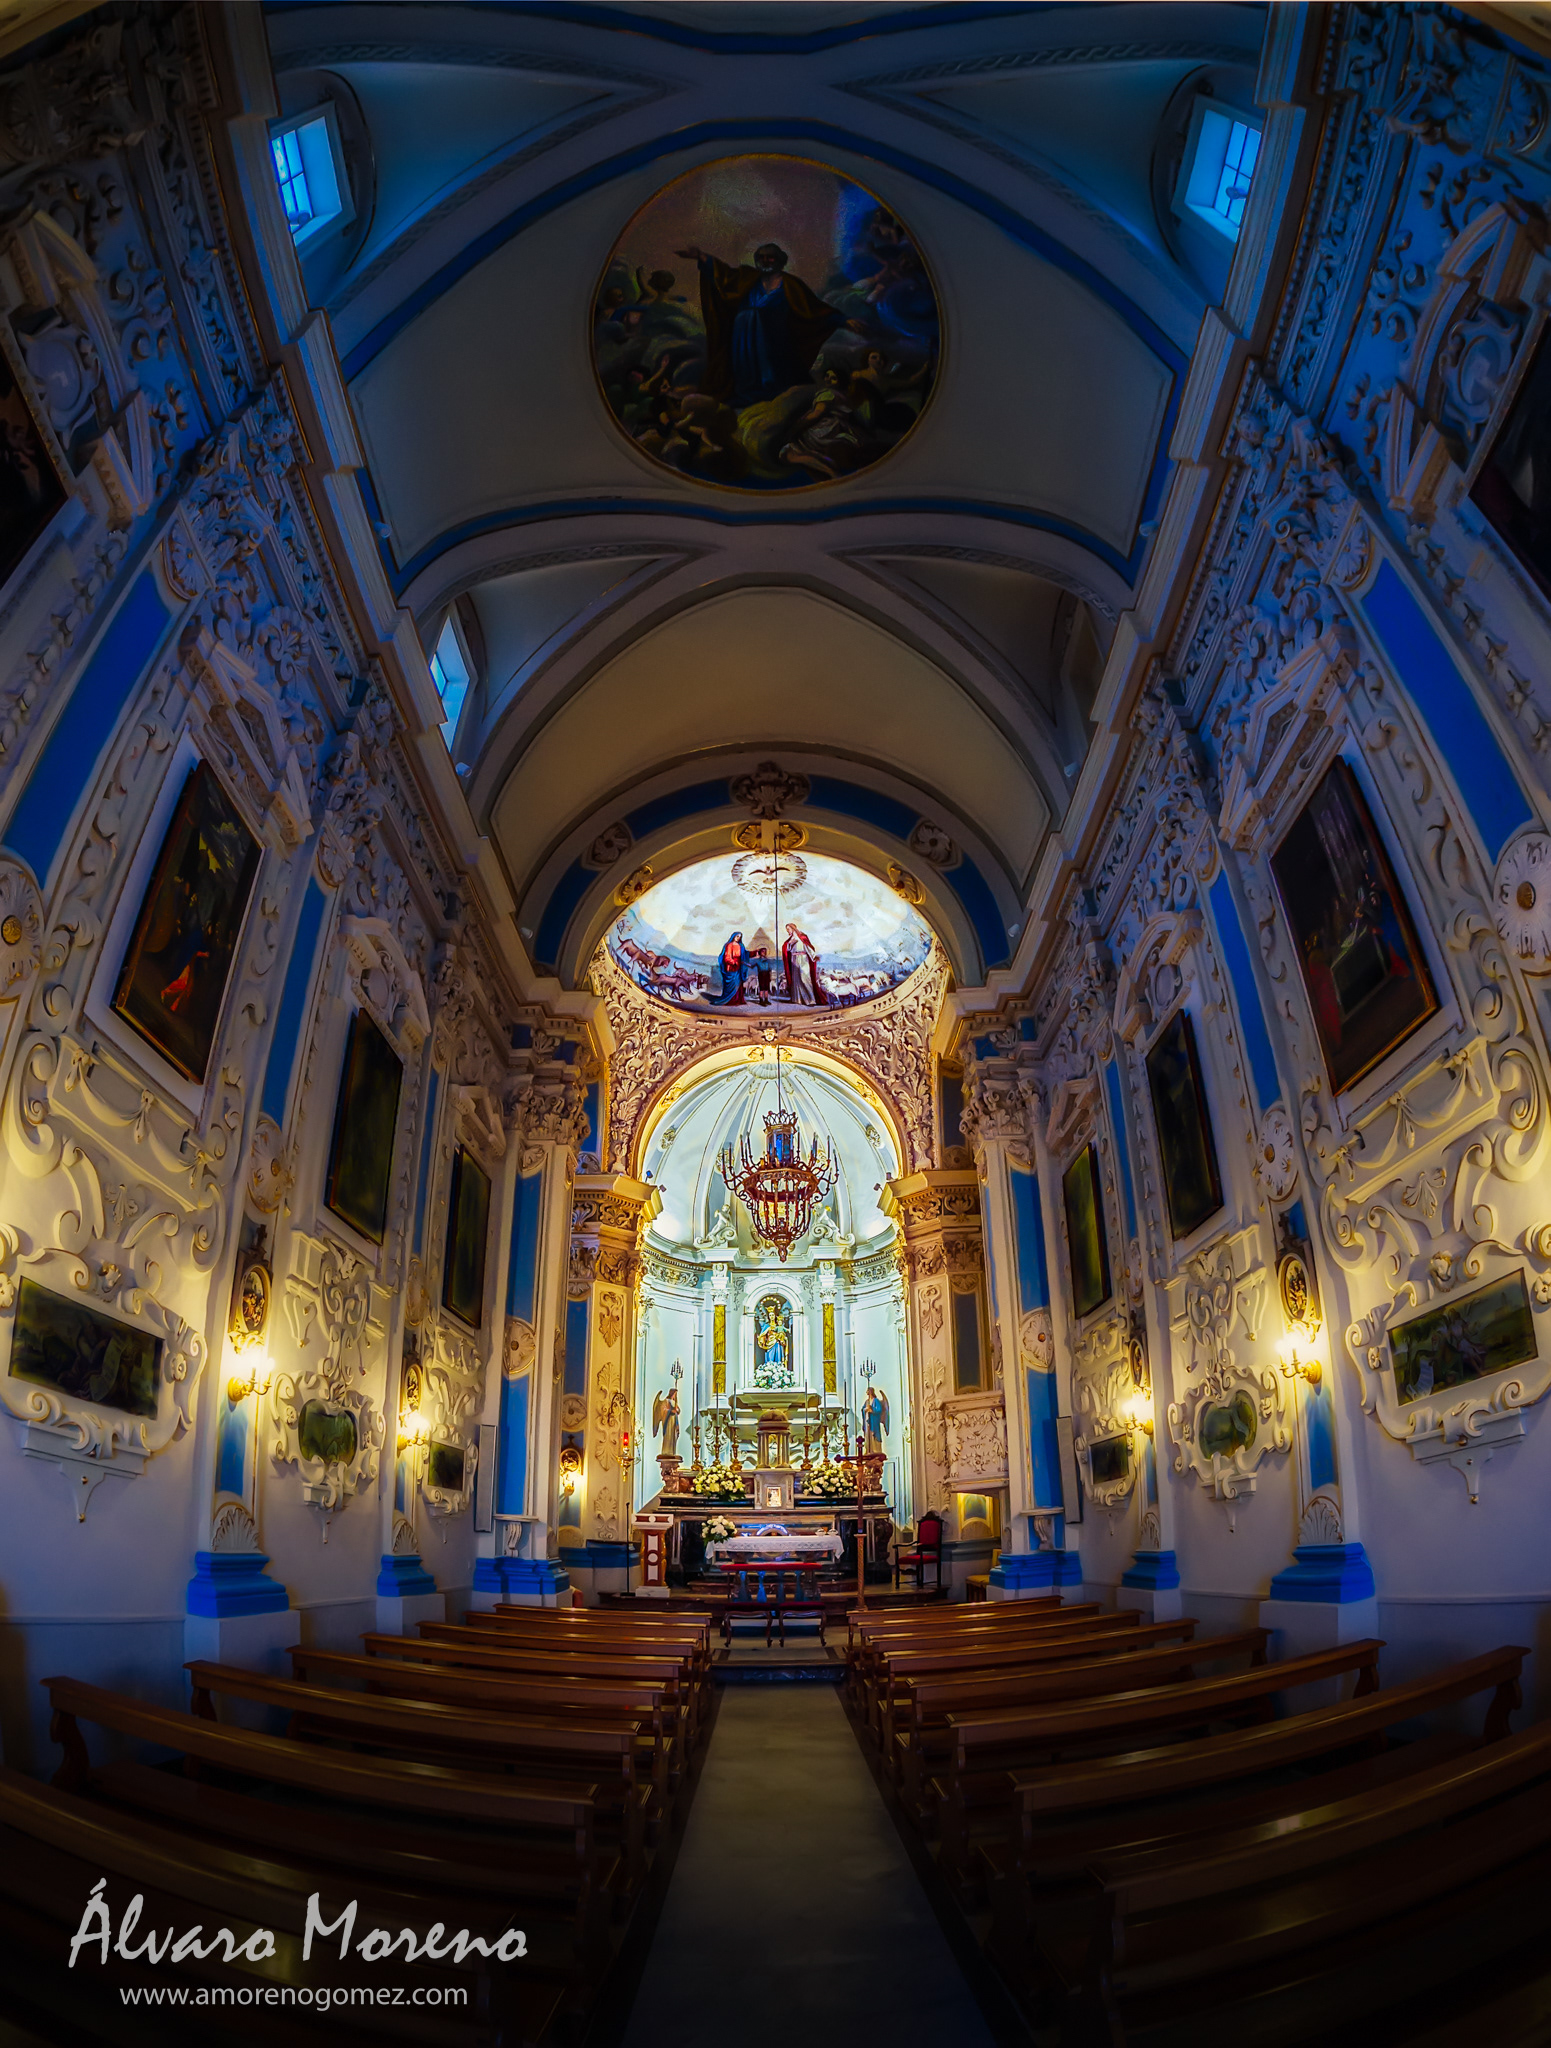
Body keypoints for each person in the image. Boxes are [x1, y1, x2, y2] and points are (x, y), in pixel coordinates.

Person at [676, 240, 848, 410]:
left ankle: (772, 397)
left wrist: (842, 321)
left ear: (779, 260)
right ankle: (745, 397)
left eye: (770, 258)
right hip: (742, 337)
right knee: (744, 367)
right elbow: (724, 277)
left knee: (772, 370)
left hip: (773, 338)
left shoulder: (790, 284)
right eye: (761, 257)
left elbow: (812, 309)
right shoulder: (748, 278)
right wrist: (701, 256)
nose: (765, 261)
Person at [782, 924, 823, 1005]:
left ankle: (811, 1000)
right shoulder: (790, 940)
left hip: (803, 959)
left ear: (793, 928)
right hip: (794, 960)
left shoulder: (802, 937)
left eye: (788, 929)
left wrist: (814, 956)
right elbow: (788, 950)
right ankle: (798, 999)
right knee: (796, 980)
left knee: (805, 978)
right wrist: (789, 944)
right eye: (787, 930)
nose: (788, 931)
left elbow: (808, 948)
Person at [709, 930, 746, 1006]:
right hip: (731, 968)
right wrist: (734, 962)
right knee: (731, 984)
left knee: (738, 983)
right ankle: (730, 1000)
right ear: (733, 936)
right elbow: (727, 958)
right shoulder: (729, 945)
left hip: (739, 968)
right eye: (737, 936)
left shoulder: (741, 946)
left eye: (740, 937)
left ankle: (737, 1000)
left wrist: (756, 952)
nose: (738, 938)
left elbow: (746, 954)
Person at [862, 1383, 889, 1457]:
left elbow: (879, 1410)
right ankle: (869, 1450)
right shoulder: (867, 1401)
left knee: (874, 1435)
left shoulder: (876, 1400)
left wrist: (872, 1410)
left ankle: (876, 1450)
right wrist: (865, 1409)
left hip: (874, 1422)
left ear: (870, 1391)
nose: (866, 1392)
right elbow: (863, 1409)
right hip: (868, 1422)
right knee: (868, 1436)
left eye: (868, 1391)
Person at [652, 1386, 680, 1460]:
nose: (675, 1396)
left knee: (673, 1436)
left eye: (676, 1395)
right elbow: (663, 1410)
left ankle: (672, 1451)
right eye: (674, 1394)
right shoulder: (666, 1401)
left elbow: (678, 1411)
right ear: (672, 1394)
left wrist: (677, 1410)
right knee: (668, 1435)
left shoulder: (674, 1402)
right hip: (668, 1422)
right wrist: (670, 1411)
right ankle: (666, 1451)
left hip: (674, 1421)